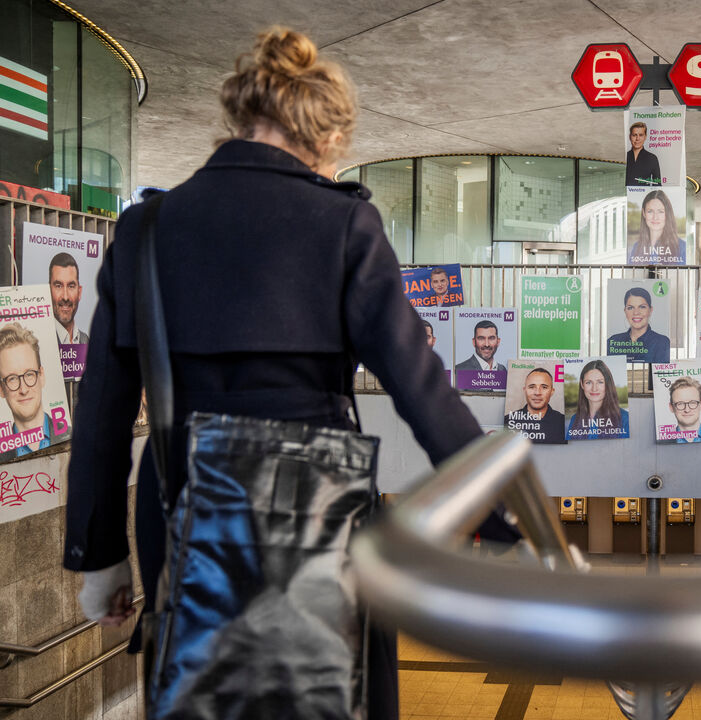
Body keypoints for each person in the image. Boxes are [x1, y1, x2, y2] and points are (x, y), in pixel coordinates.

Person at [61, 29, 514, 720]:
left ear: (240, 120)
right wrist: (498, 510)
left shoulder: (145, 230)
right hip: (319, 509)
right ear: (325, 140)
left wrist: (98, 554)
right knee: (338, 693)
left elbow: (102, 408)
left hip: (181, 502)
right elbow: (420, 384)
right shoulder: (345, 223)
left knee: (196, 693)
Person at [0, 323, 70, 461]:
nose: (24, 389)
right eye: (12, 378)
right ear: (1, 389)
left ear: (41, 376)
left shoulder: (72, 436)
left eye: (29, 374)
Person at [606, 287, 671, 363]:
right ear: (625, 311)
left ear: (650, 310)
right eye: (630, 308)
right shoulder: (613, 341)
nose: (636, 312)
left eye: (642, 307)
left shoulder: (662, 342)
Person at [567, 359, 628, 440]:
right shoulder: (574, 419)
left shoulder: (625, 419)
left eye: (600, 382)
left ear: (607, 384)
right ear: (582, 384)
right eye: (588, 382)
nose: (594, 388)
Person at [505, 366, 566, 443]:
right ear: (525, 390)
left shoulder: (564, 424)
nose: (537, 393)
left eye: (544, 387)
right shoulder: (508, 422)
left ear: (552, 391)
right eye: (531, 387)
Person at [627, 190, 686, 264]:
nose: (655, 217)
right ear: (644, 213)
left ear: (667, 214)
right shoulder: (636, 247)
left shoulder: (682, 247)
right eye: (650, 211)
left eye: (660, 211)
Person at [50, 253, 89, 344]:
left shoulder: (86, 341)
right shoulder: (40, 341)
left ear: (79, 292)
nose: (65, 297)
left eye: (71, 286)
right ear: (49, 291)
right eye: (58, 286)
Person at [667, 375, 701, 443]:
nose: (687, 410)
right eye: (680, 404)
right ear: (671, 407)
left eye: (692, 403)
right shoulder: (663, 441)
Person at [624, 121, 662, 187]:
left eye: (641, 135)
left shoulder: (652, 158)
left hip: (644, 195)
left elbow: (657, 184)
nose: (637, 139)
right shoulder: (625, 156)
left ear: (645, 137)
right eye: (634, 135)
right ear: (630, 137)